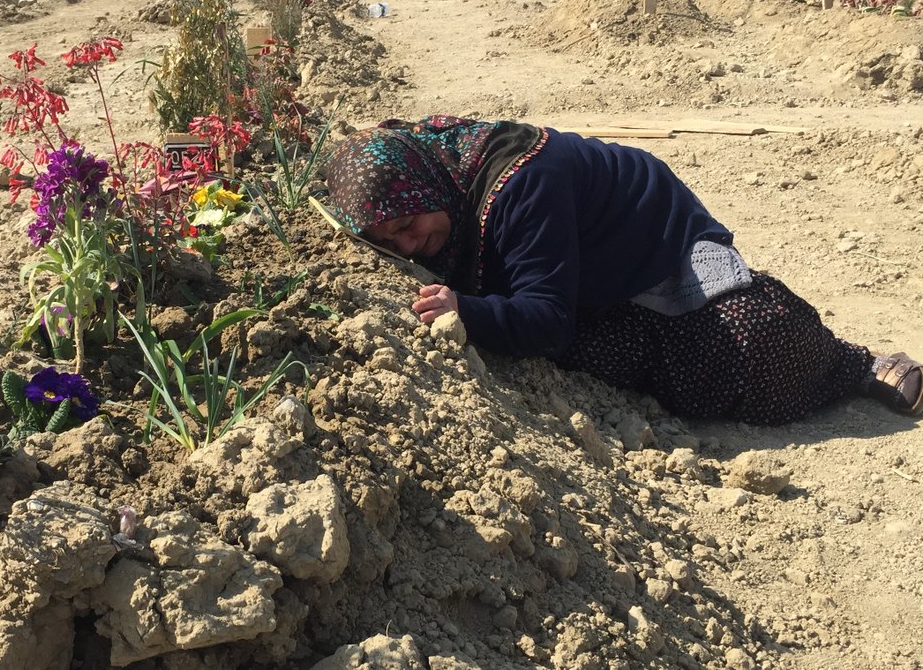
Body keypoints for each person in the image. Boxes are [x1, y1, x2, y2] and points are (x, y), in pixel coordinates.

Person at [322, 115, 922, 425]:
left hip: (656, 240)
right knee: (610, 357)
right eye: (389, 241)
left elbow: (549, 320)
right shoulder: (429, 169)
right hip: (577, 262)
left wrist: (468, 312)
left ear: (424, 187)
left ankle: (857, 363)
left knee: (750, 349)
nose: (411, 246)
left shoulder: (522, 186)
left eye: (409, 225)